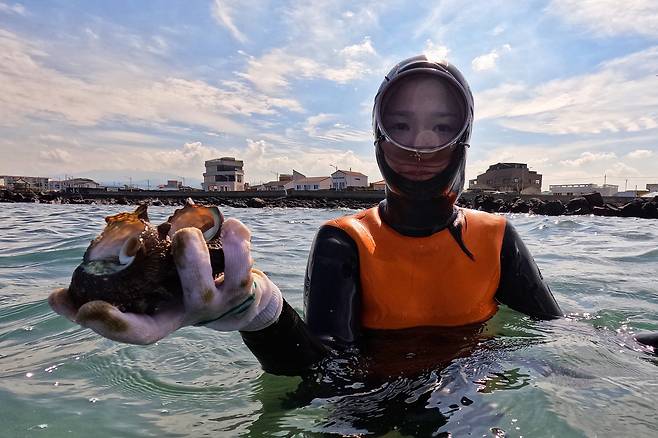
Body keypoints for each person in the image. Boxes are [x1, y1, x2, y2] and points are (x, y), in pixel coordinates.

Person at [49, 55, 656, 374]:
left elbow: (564, 337)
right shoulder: (344, 239)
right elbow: (326, 372)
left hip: (476, 399)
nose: (421, 146)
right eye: (401, 126)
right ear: (377, 139)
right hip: (367, 405)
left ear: (464, 139)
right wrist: (258, 313)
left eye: (442, 128)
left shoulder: (498, 236)